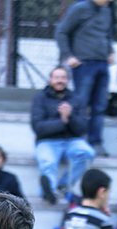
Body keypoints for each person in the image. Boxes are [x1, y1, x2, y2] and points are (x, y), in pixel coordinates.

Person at [55, 0, 116, 156]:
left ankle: (96, 141)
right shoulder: (80, 8)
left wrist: (110, 50)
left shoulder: (107, 10)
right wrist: (69, 56)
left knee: (100, 105)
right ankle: (78, 139)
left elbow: (108, 33)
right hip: (84, 64)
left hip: (102, 64)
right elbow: (61, 32)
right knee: (81, 104)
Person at [32, 67, 95, 205]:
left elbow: (82, 129)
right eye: (56, 77)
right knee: (47, 161)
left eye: (63, 77)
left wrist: (70, 116)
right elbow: (38, 127)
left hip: (72, 141)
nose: (60, 81)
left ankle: (63, 185)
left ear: (67, 80)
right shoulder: (40, 98)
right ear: (50, 80)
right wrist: (62, 122)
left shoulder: (76, 99)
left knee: (87, 153)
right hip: (47, 141)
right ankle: (48, 191)